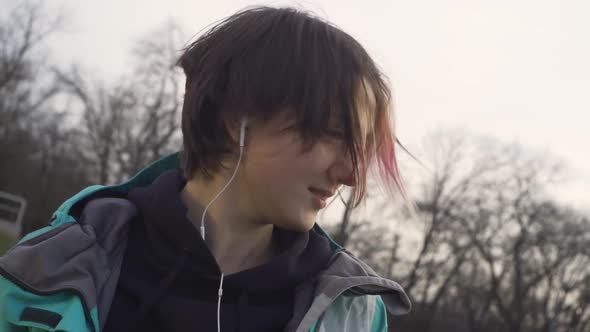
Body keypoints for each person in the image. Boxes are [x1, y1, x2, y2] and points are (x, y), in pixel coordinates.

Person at [0, 6, 411, 332]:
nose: (350, 174)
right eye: (331, 133)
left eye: (358, 150)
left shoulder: (354, 316)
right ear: (237, 119)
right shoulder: (50, 268)